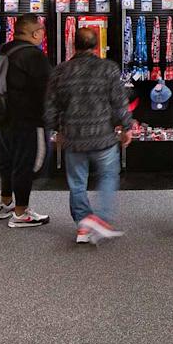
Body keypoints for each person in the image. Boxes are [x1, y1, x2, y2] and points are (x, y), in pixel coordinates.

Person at [44, 26, 135, 244]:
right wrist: (126, 127)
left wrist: (56, 130)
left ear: (73, 44)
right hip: (103, 136)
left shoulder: (60, 71)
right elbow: (119, 102)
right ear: (96, 45)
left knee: (77, 182)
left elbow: (50, 106)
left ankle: (83, 224)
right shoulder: (108, 68)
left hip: (73, 137)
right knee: (108, 175)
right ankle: (100, 218)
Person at [0, 14, 53, 228]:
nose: (43, 35)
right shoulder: (34, 56)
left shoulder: (3, 51)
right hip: (28, 119)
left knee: (7, 162)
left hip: (3, 117)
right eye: (42, 31)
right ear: (35, 33)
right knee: (25, 164)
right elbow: (48, 89)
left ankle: (5, 203)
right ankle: (21, 213)